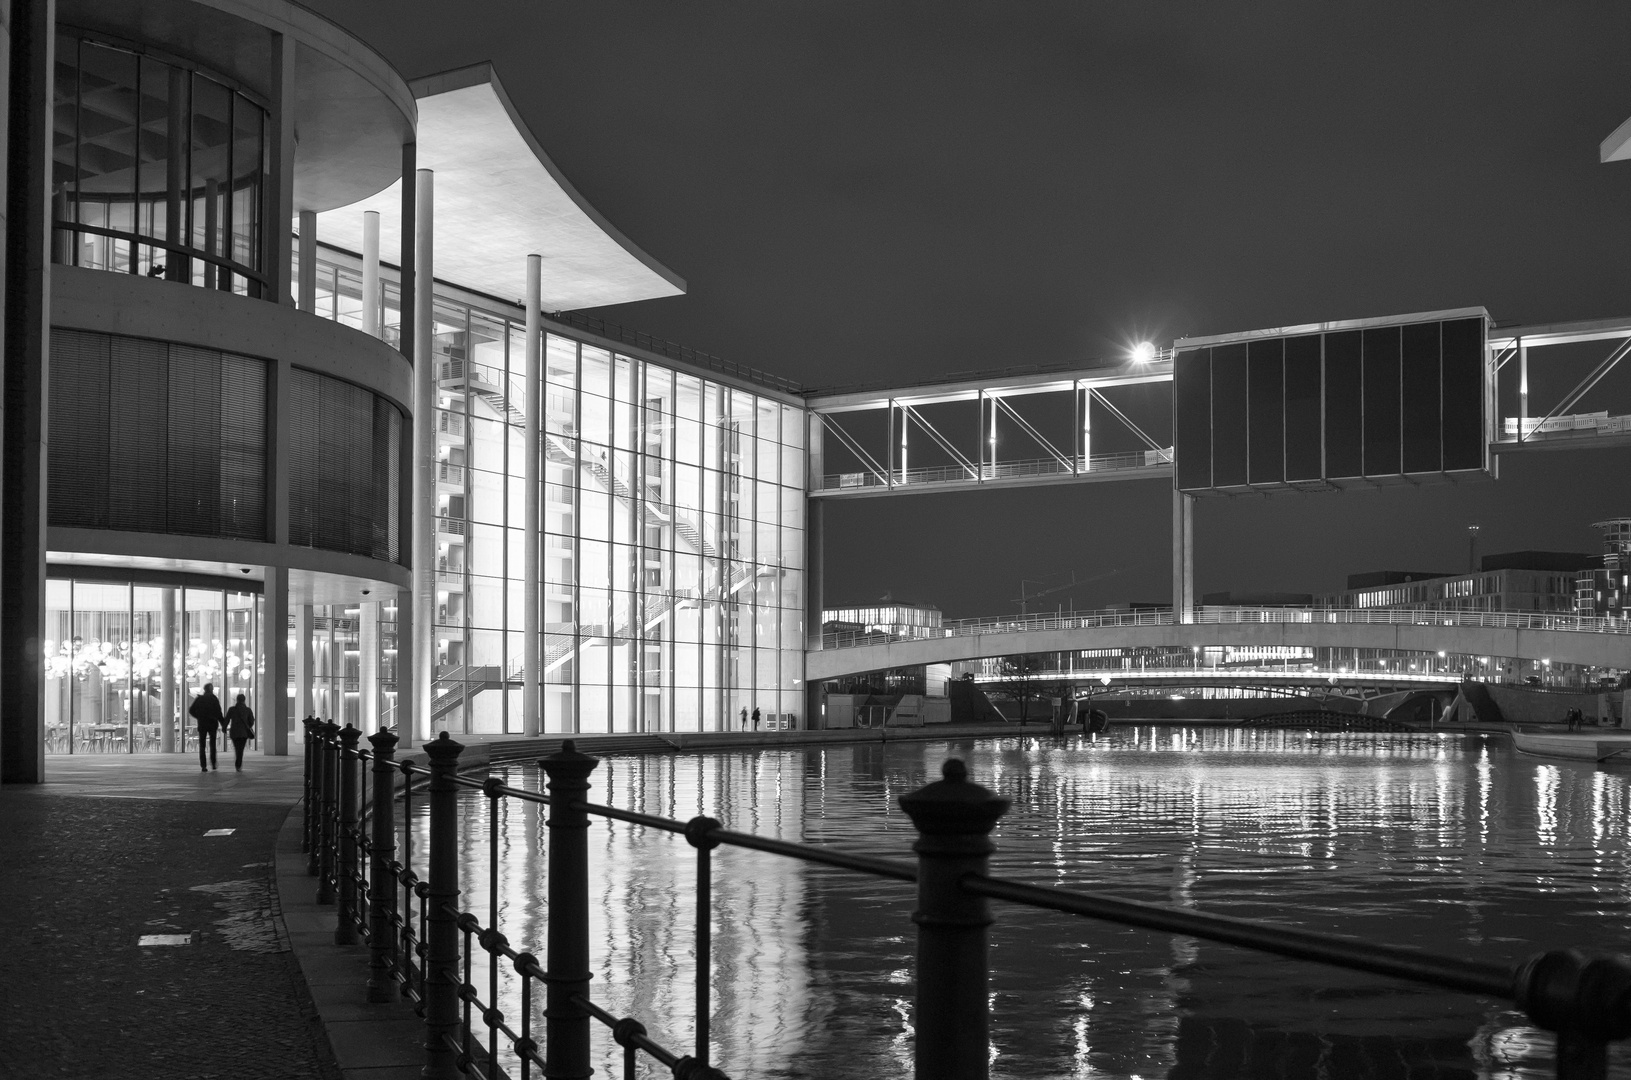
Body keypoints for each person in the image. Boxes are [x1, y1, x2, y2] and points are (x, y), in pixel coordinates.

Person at [189, 683, 225, 772]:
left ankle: (203, 765)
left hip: (202, 724)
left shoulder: (200, 699)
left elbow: (191, 710)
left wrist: (199, 716)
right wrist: (223, 723)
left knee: (202, 745)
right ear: (211, 690)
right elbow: (219, 712)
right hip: (212, 724)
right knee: (213, 745)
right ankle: (213, 763)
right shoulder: (214, 699)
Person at [224, 693, 256, 771]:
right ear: (244, 700)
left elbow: (227, 719)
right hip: (244, 733)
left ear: (237, 700)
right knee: (240, 749)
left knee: (237, 748)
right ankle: (238, 765)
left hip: (234, 732)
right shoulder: (247, 710)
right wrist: (248, 726)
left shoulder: (232, 709)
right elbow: (252, 721)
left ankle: (238, 763)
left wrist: (224, 727)